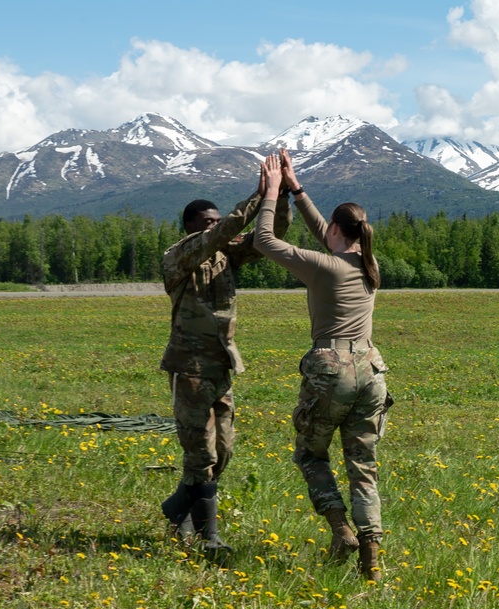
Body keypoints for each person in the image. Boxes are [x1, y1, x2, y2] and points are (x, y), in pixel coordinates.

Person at [252, 150, 393, 581]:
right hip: (372, 371)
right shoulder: (368, 266)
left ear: (336, 229)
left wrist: (272, 192)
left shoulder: (323, 267)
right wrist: (298, 190)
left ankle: (340, 530)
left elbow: (264, 241)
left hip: (331, 369)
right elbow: (327, 237)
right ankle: (371, 559)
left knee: (311, 456)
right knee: (362, 465)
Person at [159, 167, 292, 554]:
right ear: (190, 227)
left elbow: (271, 237)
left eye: (219, 220)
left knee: (224, 451)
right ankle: (207, 538)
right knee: (200, 452)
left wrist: (279, 197)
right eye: (208, 222)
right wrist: (259, 193)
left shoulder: (225, 256)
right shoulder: (180, 256)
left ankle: (179, 512)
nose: (218, 227)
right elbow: (220, 234)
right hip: (191, 366)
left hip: (222, 366)